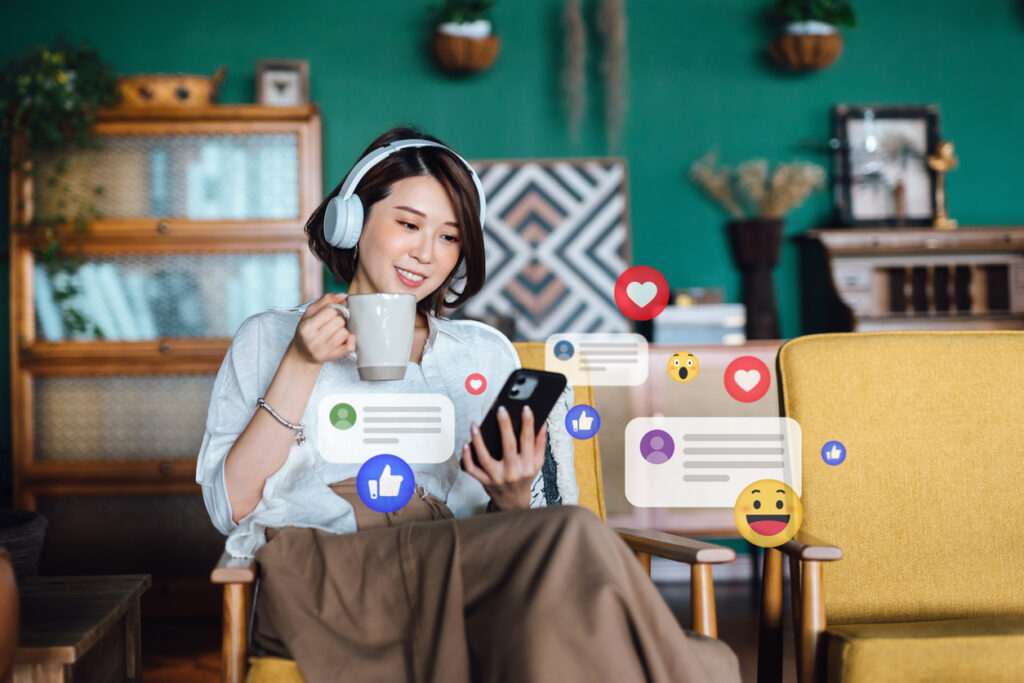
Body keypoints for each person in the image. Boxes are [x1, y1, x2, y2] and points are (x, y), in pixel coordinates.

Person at [197, 126, 740, 682]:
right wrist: (301, 363)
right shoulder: (270, 337)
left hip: (461, 570)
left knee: (567, 544)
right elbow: (229, 508)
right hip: (329, 574)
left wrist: (510, 495)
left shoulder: (482, 352)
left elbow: (519, 532)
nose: (426, 254)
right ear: (353, 221)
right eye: (408, 224)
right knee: (593, 552)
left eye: (450, 237)